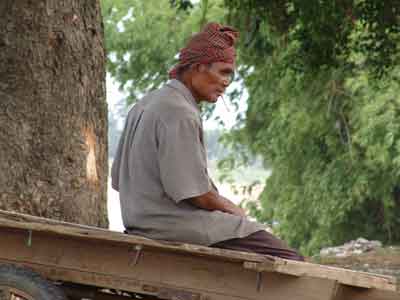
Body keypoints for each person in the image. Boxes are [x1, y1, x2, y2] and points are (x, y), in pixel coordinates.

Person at [111, 23, 303, 261]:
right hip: (170, 225)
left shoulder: (146, 103)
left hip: (139, 220)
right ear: (198, 67)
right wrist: (235, 211)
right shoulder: (180, 111)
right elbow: (198, 195)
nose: (226, 83)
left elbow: (118, 181)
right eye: (223, 72)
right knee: (291, 260)